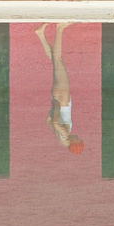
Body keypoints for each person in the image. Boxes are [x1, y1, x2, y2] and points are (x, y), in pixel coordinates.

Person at [34, 22, 84, 154]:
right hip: (57, 97)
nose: (78, 137)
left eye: (78, 139)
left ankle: (59, 28)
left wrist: (57, 106)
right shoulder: (61, 138)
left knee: (58, 59)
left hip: (62, 97)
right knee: (55, 62)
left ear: (74, 143)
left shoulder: (66, 134)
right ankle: (40, 34)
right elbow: (49, 121)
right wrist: (54, 106)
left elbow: (55, 122)